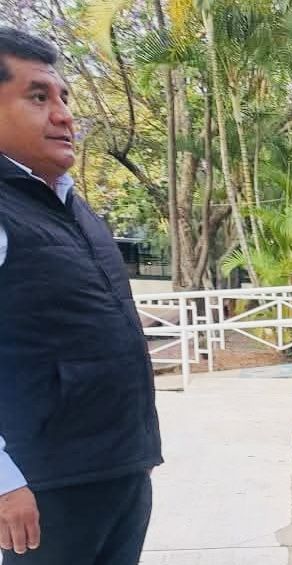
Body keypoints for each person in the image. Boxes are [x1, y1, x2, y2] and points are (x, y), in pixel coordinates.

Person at [0, 28, 162, 564]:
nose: (65, 114)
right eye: (39, 97)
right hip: (44, 489)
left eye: (64, 97)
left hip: (119, 469)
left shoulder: (74, 207)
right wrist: (4, 482)